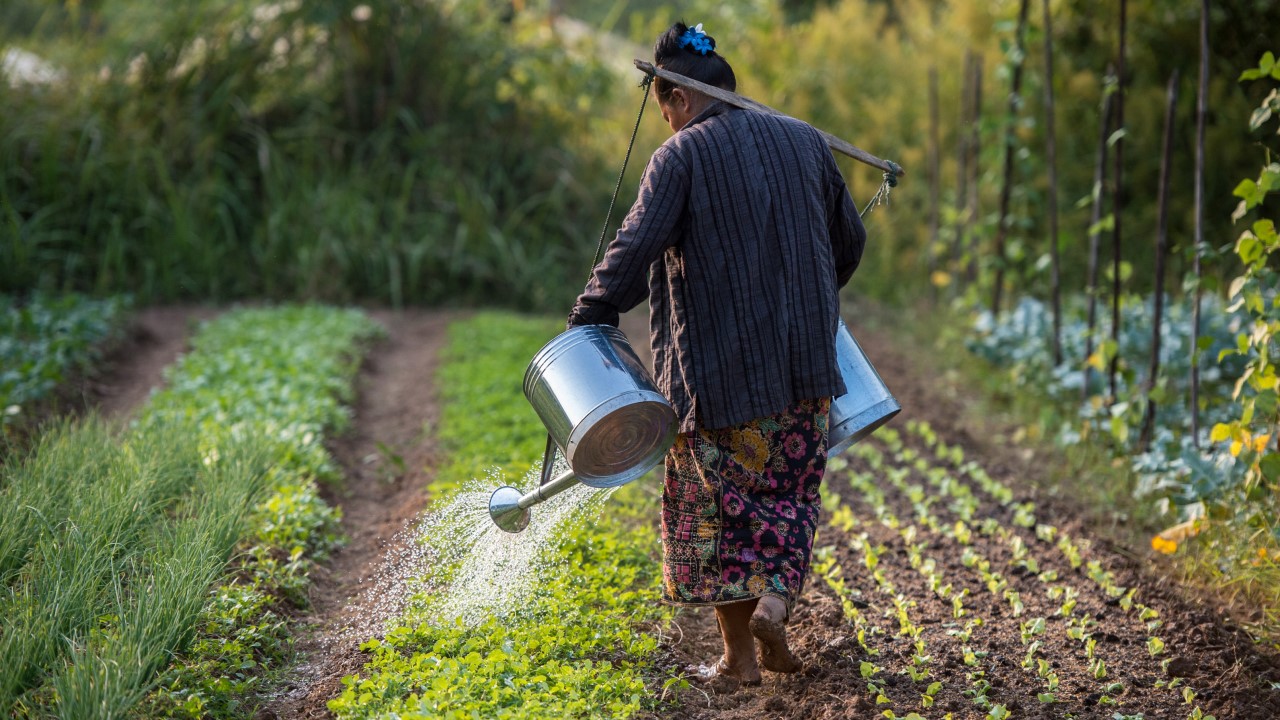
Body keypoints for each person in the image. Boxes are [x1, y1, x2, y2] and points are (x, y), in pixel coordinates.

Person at [567, 21, 866, 688]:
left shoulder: (681, 158)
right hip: (805, 371)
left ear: (676, 97)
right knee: (791, 495)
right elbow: (849, 242)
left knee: (720, 514)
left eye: (663, 106)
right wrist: (804, 301)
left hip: (716, 382)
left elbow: (632, 251)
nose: (664, 120)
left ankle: (737, 661)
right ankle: (778, 602)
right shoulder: (806, 142)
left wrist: (588, 317)